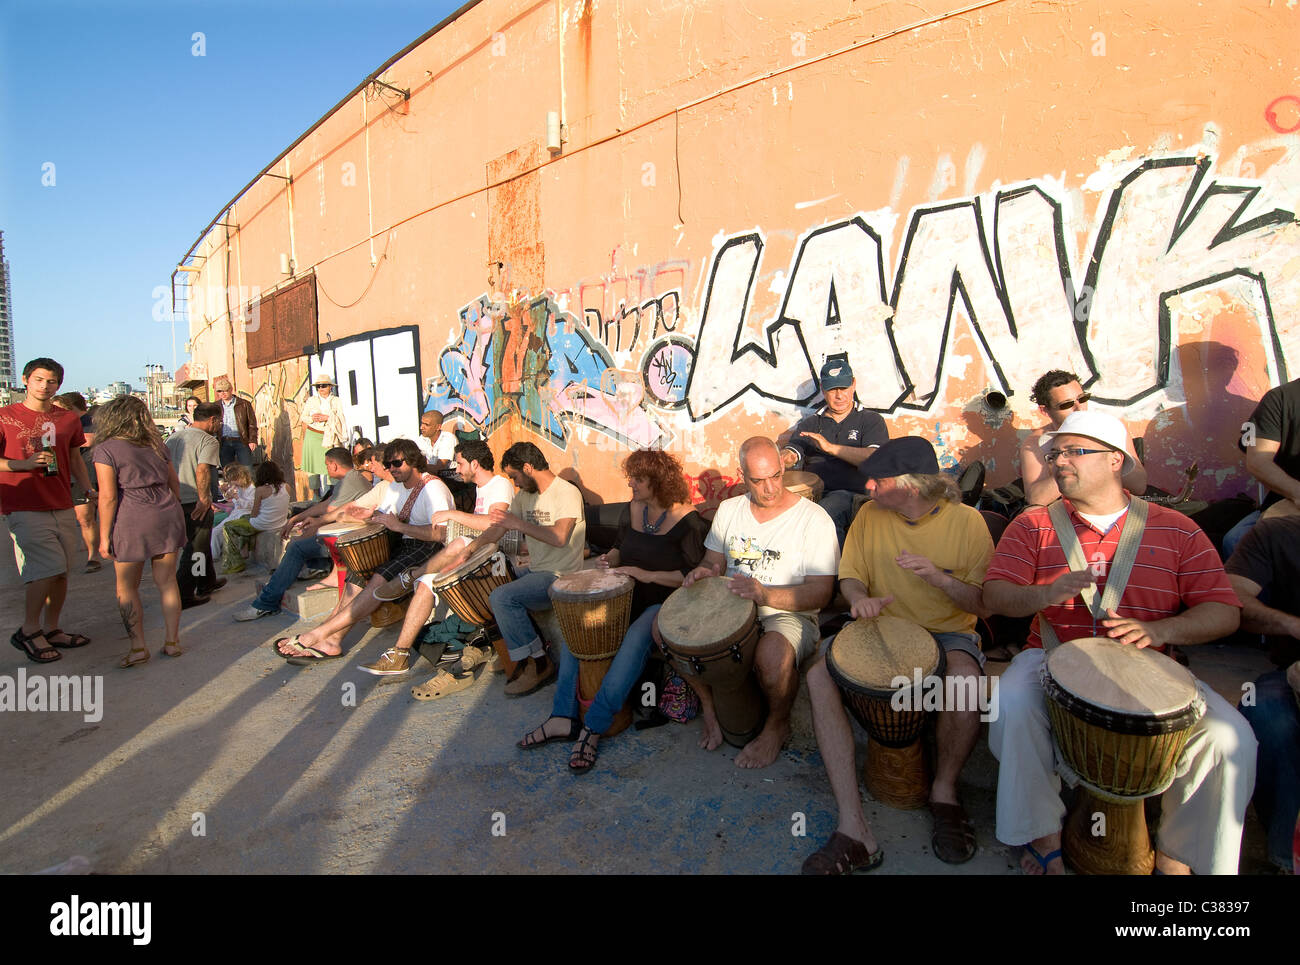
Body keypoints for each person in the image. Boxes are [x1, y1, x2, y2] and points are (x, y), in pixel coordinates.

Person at [983, 410, 1252, 875]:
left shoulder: (1177, 529)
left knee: (1231, 739)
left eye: (1073, 452)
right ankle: (1042, 836)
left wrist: (1163, 631)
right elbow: (995, 597)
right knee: (1011, 702)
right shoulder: (1031, 525)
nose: (1058, 462)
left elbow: (1224, 611)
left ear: (1114, 460)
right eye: (1055, 453)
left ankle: (1179, 856)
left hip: (1151, 669)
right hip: (1049, 655)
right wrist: (1043, 594)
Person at [802, 437, 994, 873]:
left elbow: (982, 605)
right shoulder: (869, 514)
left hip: (946, 634)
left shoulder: (968, 524)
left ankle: (945, 794)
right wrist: (858, 600)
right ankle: (854, 828)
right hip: (880, 629)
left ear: (911, 485)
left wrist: (941, 580)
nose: (867, 486)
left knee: (966, 681)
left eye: (877, 479)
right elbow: (850, 578)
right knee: (818, 674)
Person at [517, 449, 707, 771]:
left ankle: (594, 725)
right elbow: (620, 549)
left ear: (658, 482)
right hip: (625, 595)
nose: (630, 483)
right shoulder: (634, 508)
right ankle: (562, 716)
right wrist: (611, 561)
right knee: (582, 627)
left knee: (635, 638)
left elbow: (689, 577)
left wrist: (644, 574)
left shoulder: (688, 521)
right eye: (630, 477)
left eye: (638, 478)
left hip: (666, 603)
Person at [678, 436, 839, 768]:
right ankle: (709, 707)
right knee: (663, 631)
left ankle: (776, 725)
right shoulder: (729, 510)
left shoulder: (814, 519)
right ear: (742, 475)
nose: (770, 488)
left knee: (772, 656)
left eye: (776, 476)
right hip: (731, 606)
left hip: (787, 612)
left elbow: (821, 594)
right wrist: (703, 573)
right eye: (758, 480)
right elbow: (713, 563)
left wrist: (765, 594)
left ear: (783, 468)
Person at [274, 439, 453, 662]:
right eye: (388, 464)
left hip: (429, 547)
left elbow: (441, 534)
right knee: (357, 573)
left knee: (378, 578)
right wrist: (367, 517)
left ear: (413, 461)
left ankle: (317, 634)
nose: (391, 469)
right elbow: (382, 516)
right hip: (402, 542)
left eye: (396, 463)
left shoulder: (433, 488)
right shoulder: (396, 487)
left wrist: (400, 527)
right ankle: (331, 639)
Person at [358, 439, 514, 683]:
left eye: (460, 464)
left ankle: (407, 578)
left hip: (499, 560)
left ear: (474, 463)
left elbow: (495, 525)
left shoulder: (499, 484)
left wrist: (454, 515)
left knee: (459, 543)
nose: (457, 469)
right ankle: (399, 654)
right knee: (427, 581)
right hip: (476, 555)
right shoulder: (481, 488)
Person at [0, 358, 98, 663]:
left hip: (61, 500)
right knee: (47, 567)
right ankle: (29, 630)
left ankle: (52, 628)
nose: (45, 386)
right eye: (39, 379)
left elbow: (75, 458)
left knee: (62, 571)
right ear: (26, 380)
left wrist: (88, 487)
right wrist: (22, 465)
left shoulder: (67, 419)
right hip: (23, 505)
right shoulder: (5, 416)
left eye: (52, 381)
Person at [1221, 514, 1300, 874]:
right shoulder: (1276, 532)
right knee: (1264, 708)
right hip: (1291, 673)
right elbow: (1232, 600)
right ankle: (1286, 855)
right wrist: (1293, 626)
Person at [90, 396, 188, 668]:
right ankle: (172, 642)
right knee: (167, 582)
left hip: (131, 517)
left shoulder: (106, 449)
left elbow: (108, 497)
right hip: (166, 512)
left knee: (126, 587)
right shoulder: (156, 445)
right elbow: (174, 483)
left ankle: (137, 647)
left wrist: (104, 537)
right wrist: (173, 509)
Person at [485, 442, 588, 696]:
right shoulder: (525, 496)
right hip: (537, 570)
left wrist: (518, 523)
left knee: (502, 596)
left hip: (561, 575)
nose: (515, 483)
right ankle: (516, 649)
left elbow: (560, 538)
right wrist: (471, 550)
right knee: (490, 580)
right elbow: (501, 527)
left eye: (515, 476)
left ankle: (539, 662)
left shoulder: (566, 492)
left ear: (528, 468)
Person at [233, 448, 369, 620]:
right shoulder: (349, 479)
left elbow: (329, 510)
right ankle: (316, 567)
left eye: (327, 464)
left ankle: (265, 603)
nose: (326, 468)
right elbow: (326, 504)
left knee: (297, 546)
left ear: (334, 465)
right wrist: (296, 518)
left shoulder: (350, 481)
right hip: (348, 535)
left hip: (351, 541)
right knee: (303, 536)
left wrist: (305, 521)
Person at [778, 359, 888, 544]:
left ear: (853, 384)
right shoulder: (811, 423)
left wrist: (830, 448)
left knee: (826, 513)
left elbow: (874, 458)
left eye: (843, 388)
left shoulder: (871, 420)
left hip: (854, 494)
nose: (839, 396)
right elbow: (792, 451)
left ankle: (836, 572)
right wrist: (783, 459)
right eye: (832, 389)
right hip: (813, 496)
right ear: (823, 389)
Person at [1020, 370, 1146, 508]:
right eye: (1066, 405)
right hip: (1066, 513)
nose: (1079, 408)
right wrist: (1073, 465)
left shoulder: (1109, 428)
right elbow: (1036, 498)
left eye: (1082, 399)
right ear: (1044, 411)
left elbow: (1139, 486)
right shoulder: (1036, 443)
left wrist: (1102, 453)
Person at [1223, 376, 1300, 557]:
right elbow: (1258, 462)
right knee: (1235, 541)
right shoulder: (1280, 398)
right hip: (1288, 502)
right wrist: (1297, 492)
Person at [165, 401, 226, 608]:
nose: (220, 425)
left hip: (173, 498)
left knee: (202, 541)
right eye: (219, 420)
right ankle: (186, 592)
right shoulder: (208, 441)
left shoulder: (174, 437)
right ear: (212, 420)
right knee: (196, 548)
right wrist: (204, 498)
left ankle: (207, 581)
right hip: (194, 500)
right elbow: (202, 470)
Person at [53, 392, 102, 573]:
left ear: (70, 408)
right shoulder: (55, 426)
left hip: (97, 474)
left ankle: (97, 552)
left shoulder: (93, 421)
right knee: (84, 518)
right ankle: (92, 554)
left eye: (59, 409)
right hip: (75, 477)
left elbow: (99, 438)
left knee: (101, 514)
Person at [219, 461, 291, 573]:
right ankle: (245, 549)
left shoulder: (260, 490)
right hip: (281, 523)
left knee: (228, 526)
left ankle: (235, 563)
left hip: (262, 524)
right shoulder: (287, 487)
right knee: (243, 521)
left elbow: (254, 513)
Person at [300, 373, 347, 500]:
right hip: (313, 434)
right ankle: (315, 495)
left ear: (330, 387)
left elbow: (341, 418)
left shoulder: (336, 401)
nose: (321, 388)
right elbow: (303, 417)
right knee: (313, 467)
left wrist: (328, 418)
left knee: (331, 463)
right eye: (318, 386)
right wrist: (312, 418)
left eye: (324, 386)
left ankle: (333, 493)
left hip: (329, 436)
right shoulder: (312, 400)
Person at [211, 376, 259, 485]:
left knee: (248, 470)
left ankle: (251, 495)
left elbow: (252, 424)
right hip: (223, 442)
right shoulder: (215, 406)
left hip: (241, 440)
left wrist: (253, 440)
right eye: (219, 391)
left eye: (225, 390)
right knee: (228, 471)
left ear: (231, 390)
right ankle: (231, 495)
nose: (223, 393)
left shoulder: (244, 404)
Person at [210, 463, 255, 562]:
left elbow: (250, 506)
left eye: (234, 480)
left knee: (225, 529)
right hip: (235, 513)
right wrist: (225, 493)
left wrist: (237, 498)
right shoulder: (237, 487)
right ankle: (214, 555)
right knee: (215, 532)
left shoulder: (252, 489)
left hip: (245, 514)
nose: (232, 483)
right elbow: (228, 498)